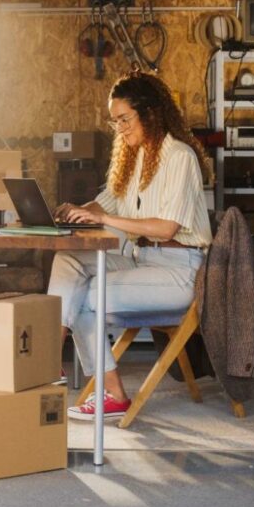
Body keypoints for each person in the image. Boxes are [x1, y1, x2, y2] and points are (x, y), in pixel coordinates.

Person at [48, 71, 212, 421]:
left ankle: (112, 393)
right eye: (115, 121)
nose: (119, 128)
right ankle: (48, 359)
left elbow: (166, 226)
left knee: (86, 296)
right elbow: (107, 202)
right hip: (141, 261)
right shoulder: (133, 159)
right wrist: (78, 212)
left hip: (178, 274)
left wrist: (104, 220)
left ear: (150, 113)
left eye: (125, 119)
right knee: (68, 261)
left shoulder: (179, 157)